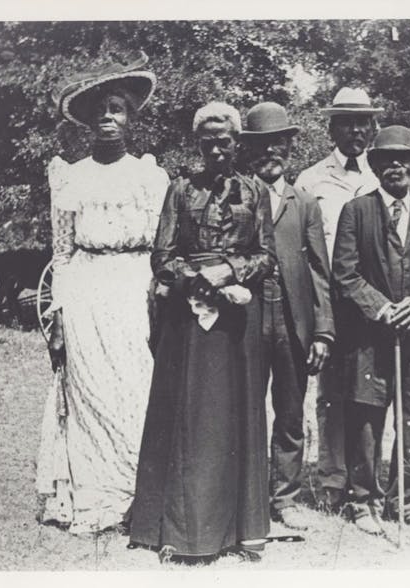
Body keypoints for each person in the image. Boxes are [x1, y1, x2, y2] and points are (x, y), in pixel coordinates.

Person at [130, 102, 276, 563]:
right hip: (187, 320)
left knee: (234, 415)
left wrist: (230, 271)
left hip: (237, 322)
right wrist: (199, 281)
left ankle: (237, 530)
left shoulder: (255, 191)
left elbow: (266, 255)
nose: (217, 149)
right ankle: (181, 530)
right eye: (208, 141)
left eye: (225, 141)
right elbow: (162, 255)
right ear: (198, 144)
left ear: (237, 144)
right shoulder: (180, 190)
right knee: (188, 416)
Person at [36, 52, 170, 534]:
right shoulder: (71, 176)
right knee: (90, 392)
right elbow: (64, 252)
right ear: (89, 122)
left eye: (117, 109)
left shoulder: (150, 177)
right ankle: (94, 497)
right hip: (88, 292)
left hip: (135, 291)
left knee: (134, 389)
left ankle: (137, 494)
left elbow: (162, 249)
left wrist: (160, 300)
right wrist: (60, 313)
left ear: (131, 117)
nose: (108, 118)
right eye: (101, 111)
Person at [332, 125, 410, 535]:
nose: (395, 166)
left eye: (404, 159)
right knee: (367, 416)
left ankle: (408, 498)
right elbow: (344, 275)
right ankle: (361, 500)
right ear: (376, 165)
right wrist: (382, 308)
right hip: (369, 336)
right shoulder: (357, 211)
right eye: (386, 159)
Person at [239, 102, 335, 530]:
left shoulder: (306, 203)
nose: (270, 153)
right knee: (246, 408)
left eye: (278, 144)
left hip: (294, 321)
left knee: (291, 413)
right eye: (261, 146)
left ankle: (286, 497)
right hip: (247, 320)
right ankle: (247, 494)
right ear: (249, 150)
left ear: (289, 148)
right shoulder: (236, 195)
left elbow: (319, 270)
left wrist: (323, 331)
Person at [293, 87, 382, 511]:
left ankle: (367, 478)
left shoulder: (383, 176)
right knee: (329, 392)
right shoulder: (310, 180)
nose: (356, 130)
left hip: (370, 303)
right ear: (331, 127)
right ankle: (331, 481)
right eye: (346, 121)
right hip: (327, 302)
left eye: (363, 122)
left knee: (367, 393)